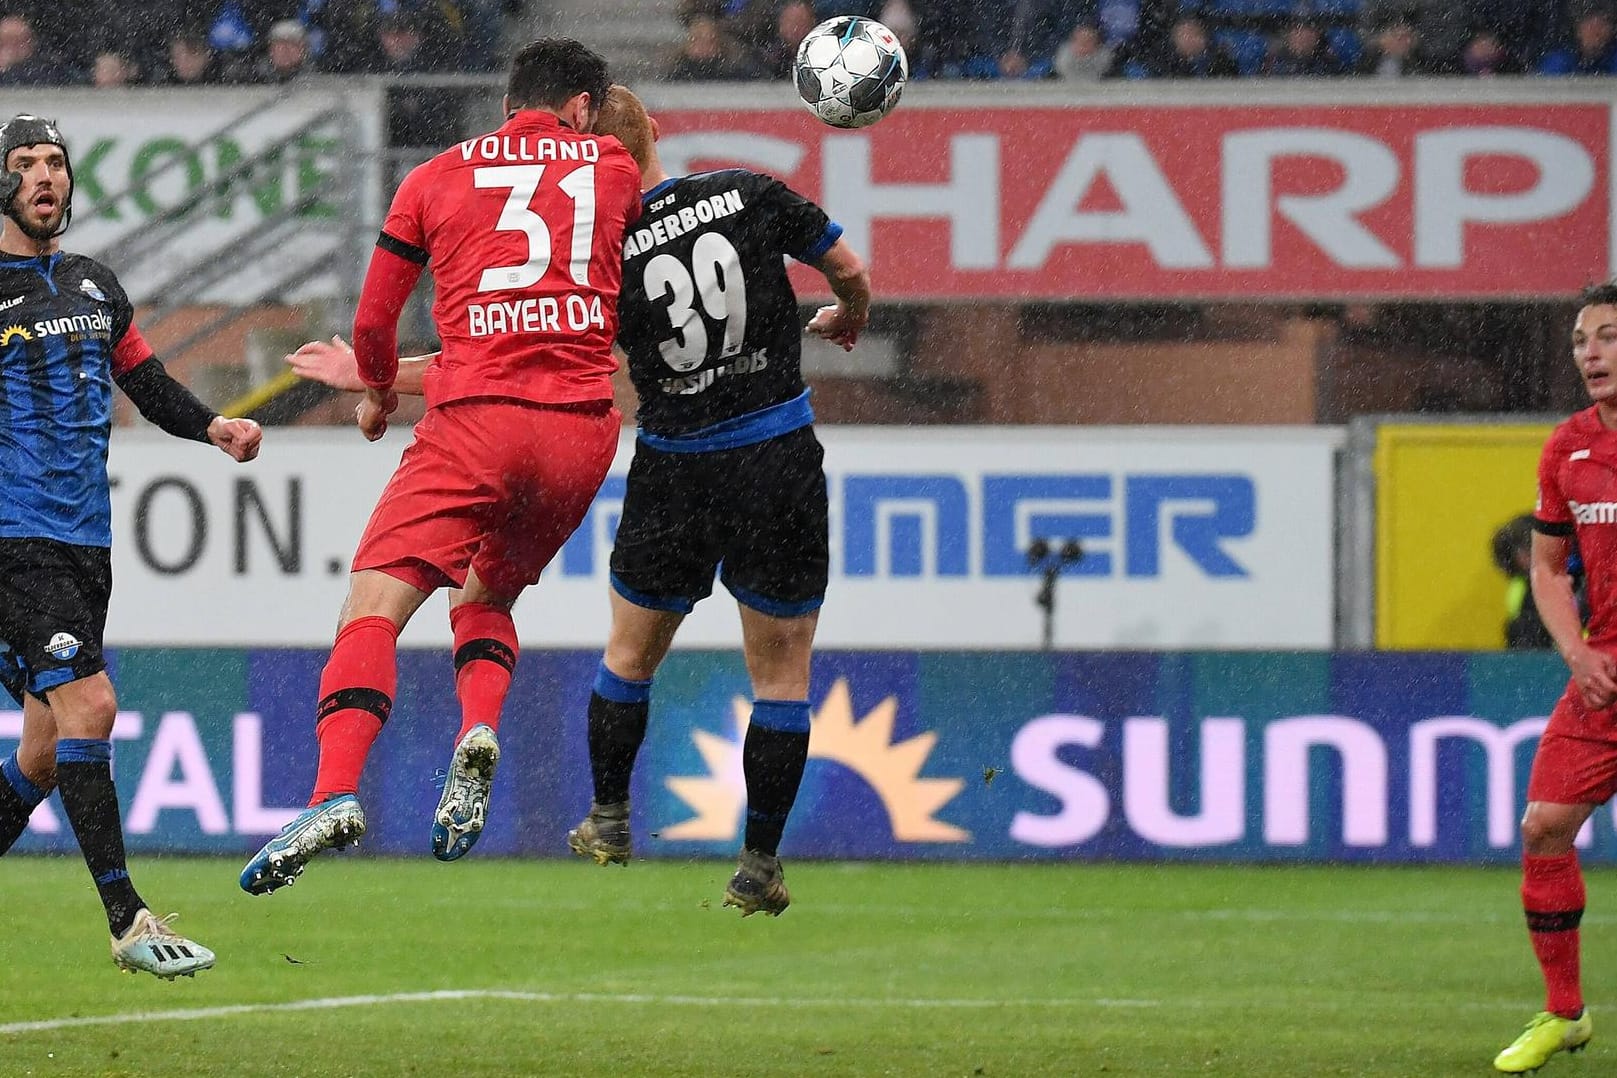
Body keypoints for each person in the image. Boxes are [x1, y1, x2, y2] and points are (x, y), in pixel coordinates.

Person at [285, 83, 871, 916]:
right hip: (776, 451)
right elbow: (847, 269)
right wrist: (846, 314)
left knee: (629, 658)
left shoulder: (609, 247)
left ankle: (607, 816)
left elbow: (504, 362)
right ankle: (761, 862)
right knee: (781, 677)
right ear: (656, 133)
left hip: (675, 465)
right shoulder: (745, 192)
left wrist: (377, 377)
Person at [239, 39, 642, 894]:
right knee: (485, 594)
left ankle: (333, 793)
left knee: (373, 608)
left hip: (474, 427)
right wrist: (608, 115)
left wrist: (378, 392)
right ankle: (479, 728)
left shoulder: (433, 177)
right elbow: (634, 137)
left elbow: (375, 319)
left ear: (507, 103)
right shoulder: (611, 167)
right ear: (578, 106)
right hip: (580, 434)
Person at [0, 115, 262, 977]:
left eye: (56, 163)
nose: (46, 177)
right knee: (92, 708)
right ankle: (128, 919)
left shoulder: (94, 286)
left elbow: (144, 380)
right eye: (26, 164)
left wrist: (212, 425)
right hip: (14, 541)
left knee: (43, 748)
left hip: (84, 544)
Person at [1493, 280, 1617, 1072]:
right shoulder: (1565, 448)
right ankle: (1563, 1014)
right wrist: (1575, 653)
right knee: (1542, 827)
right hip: (1600, 673)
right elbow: (1546, 568)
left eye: (1605, 336)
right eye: (1579, 340)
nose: (1590, 353)